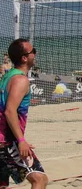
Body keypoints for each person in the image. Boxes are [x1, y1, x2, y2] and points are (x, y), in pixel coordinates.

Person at [0, 39, 48, 188]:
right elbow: (9, 111)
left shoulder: (7, 76)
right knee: (39, 179)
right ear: (24, 58)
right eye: (33, 51)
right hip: (6, 141)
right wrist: (21, 141)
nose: (35, 53)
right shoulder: (21, 80)